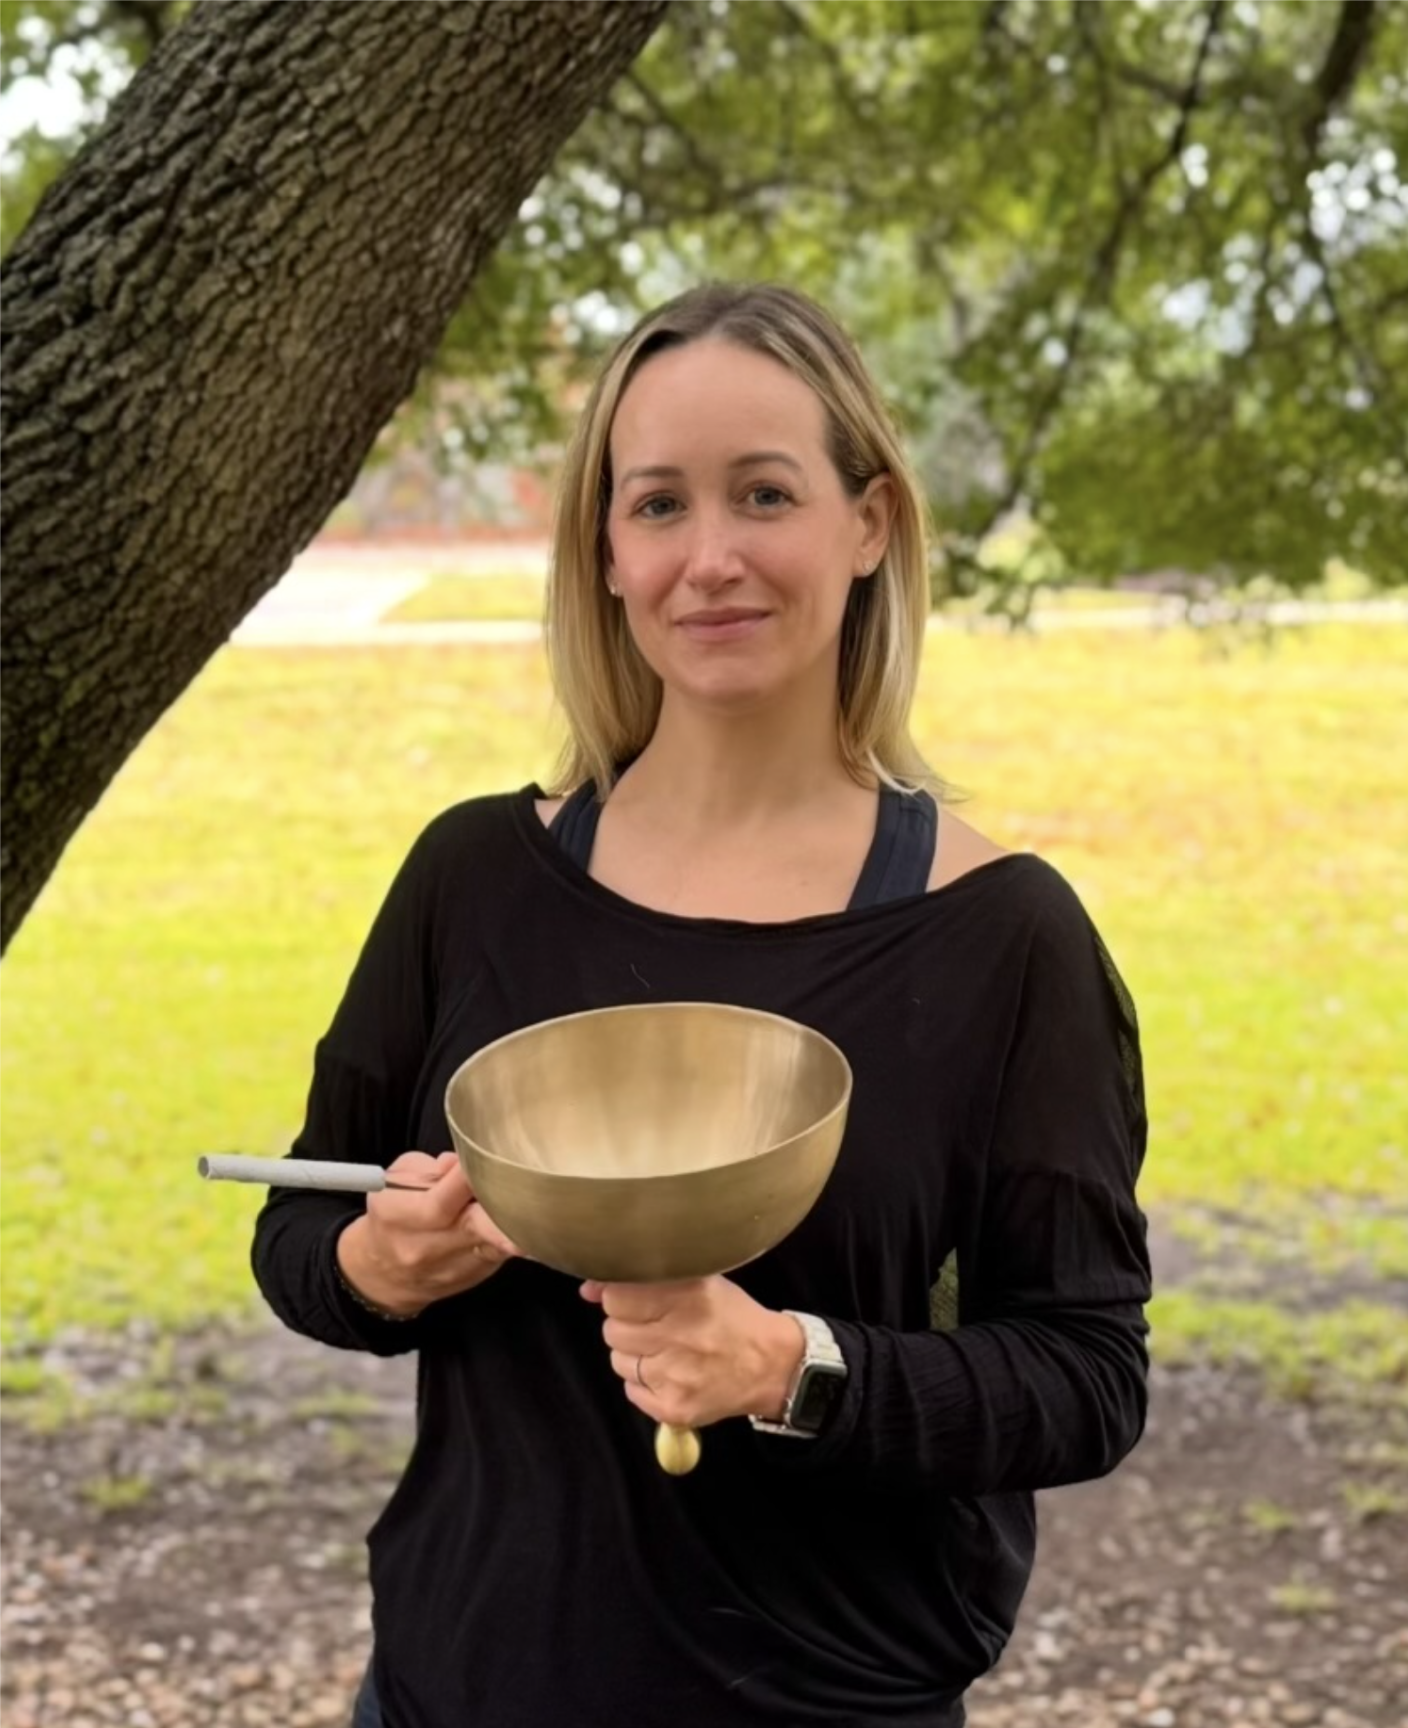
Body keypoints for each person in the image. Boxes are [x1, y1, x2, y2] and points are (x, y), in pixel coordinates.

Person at [251, 282, 1151, 1728]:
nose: (711, 557)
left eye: (765, 494)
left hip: (830, 1702)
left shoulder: (1003, 937)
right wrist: (381, 1264)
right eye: (659, 505)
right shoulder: (475, 877)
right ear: (605, 552)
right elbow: (299, 1228)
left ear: (868, 524)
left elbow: (1087, 1378)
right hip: (453, 1692)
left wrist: (795, 1368)